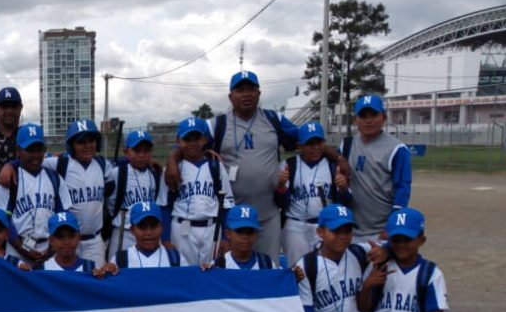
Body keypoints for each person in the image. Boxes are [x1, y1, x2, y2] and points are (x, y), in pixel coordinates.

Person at [165, 70, 348, 261]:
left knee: (268, 265)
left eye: (251, 89)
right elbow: (191, 144)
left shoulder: (273, 119)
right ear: (230, 96)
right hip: (232, 216)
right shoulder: (217, 124)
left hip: (268, 213)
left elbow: (307, 140)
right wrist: (172, 159)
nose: (246, 94)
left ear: (259, 93)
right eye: (240, 90)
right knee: (233, 271)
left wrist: (339, 158)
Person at [157, 118, 234, 266]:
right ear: (178, 140)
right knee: (183, 274)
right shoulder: (171, 170)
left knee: (213, 272)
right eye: (187, 139)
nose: (192, 143)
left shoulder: (216, 167)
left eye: (197, 138)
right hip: (181, 229)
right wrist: (165, 239)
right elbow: (164, 206)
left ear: (204, 139)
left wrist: (225, 236)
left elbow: (227, 206)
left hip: (212, 228)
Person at [0, 123, 68, 265]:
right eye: (30, 150)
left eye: (39, 149)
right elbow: (2, 219)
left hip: (49, 249)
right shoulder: (9, 179)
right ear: (18, 150)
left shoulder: (55, 179)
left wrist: (52, 247)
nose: (36, 155)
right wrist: (22, 248)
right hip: (16, 248)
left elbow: (62, 216)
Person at [276, 122, 351, 267]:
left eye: (319, 142)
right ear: (300, 145)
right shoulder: (289, 165)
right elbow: (280, 203)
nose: (315, 147)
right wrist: (280, 187)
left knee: (326, 269)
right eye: (310, 143)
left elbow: (346, 204)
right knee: (298, 270)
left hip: (324, 226)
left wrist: (343, 189)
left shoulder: (332, 166)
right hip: (295, 225)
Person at [342, 94, 412, 242]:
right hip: (351, 230)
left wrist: (392, 225)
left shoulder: (396, 149)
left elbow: (403, 188)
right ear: (355, 120)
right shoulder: (346, 146)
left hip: (382, 231)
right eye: (363, 115)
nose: (368, 120)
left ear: (384, 118)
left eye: (374, 115)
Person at [106, 131, 162, 261]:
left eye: (146, 150)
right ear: (126, 152)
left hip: (148, 233)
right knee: (116, 271)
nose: (141, 155)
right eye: (136, 150)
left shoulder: (155, 174)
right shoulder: (116, 173)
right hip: (122, 232)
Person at [38, 212, 118, 277]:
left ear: (79, 237)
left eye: (71, 236)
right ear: (51, 240)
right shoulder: (41, 270)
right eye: (60, 237)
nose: (66, 242)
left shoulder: (91, 269)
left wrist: (111, 273)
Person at [111, 202, 181, 269]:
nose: (149, 232)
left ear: (162, 228)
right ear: (132, 230)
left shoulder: (175, 259)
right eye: (142, 227)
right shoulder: (120, 261)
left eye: (153, 226)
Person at [213, 204, 276, 270]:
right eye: (240, 231)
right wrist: (207, 272)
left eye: (250, 231)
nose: (245, 236)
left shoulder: (267, 264)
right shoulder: (218, 265)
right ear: (228, 233)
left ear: (256, 234)